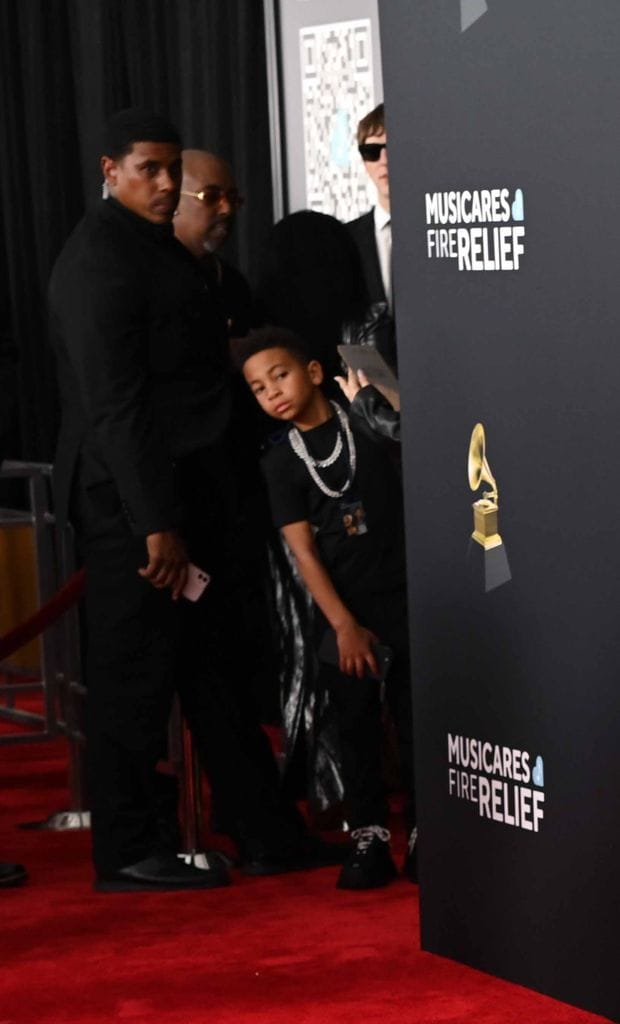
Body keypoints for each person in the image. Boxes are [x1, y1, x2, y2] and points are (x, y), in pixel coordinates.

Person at [48, 109, 340, 892]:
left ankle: (263, 832)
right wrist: (156, 525)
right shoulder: (100, 263)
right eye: (149, 168)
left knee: (215, 672)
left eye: (173, 168)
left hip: (188, 500)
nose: (168, 182)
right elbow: (119, 410)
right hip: (135, 511)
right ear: (110, 169)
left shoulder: (154, 251)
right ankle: (131, 850)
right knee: (135, 679)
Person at [235, 327, 417, 889]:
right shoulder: (279, 461)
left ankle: (424, 827)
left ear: (313, 372)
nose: (273, 393)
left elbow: (414, 444)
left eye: (281, 375)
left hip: (405, 597)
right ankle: (369, 832)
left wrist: (381, 402)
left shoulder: (363, 420)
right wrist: (343, 626)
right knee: (355, 723)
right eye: (259, 389)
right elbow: (303, 552)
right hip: (344, 612)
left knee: (415, 718)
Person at [346, 103, 397, 370]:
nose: (384, 160)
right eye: (372, 151)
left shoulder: (440, 229)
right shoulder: (345, 239)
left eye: (393, 147)